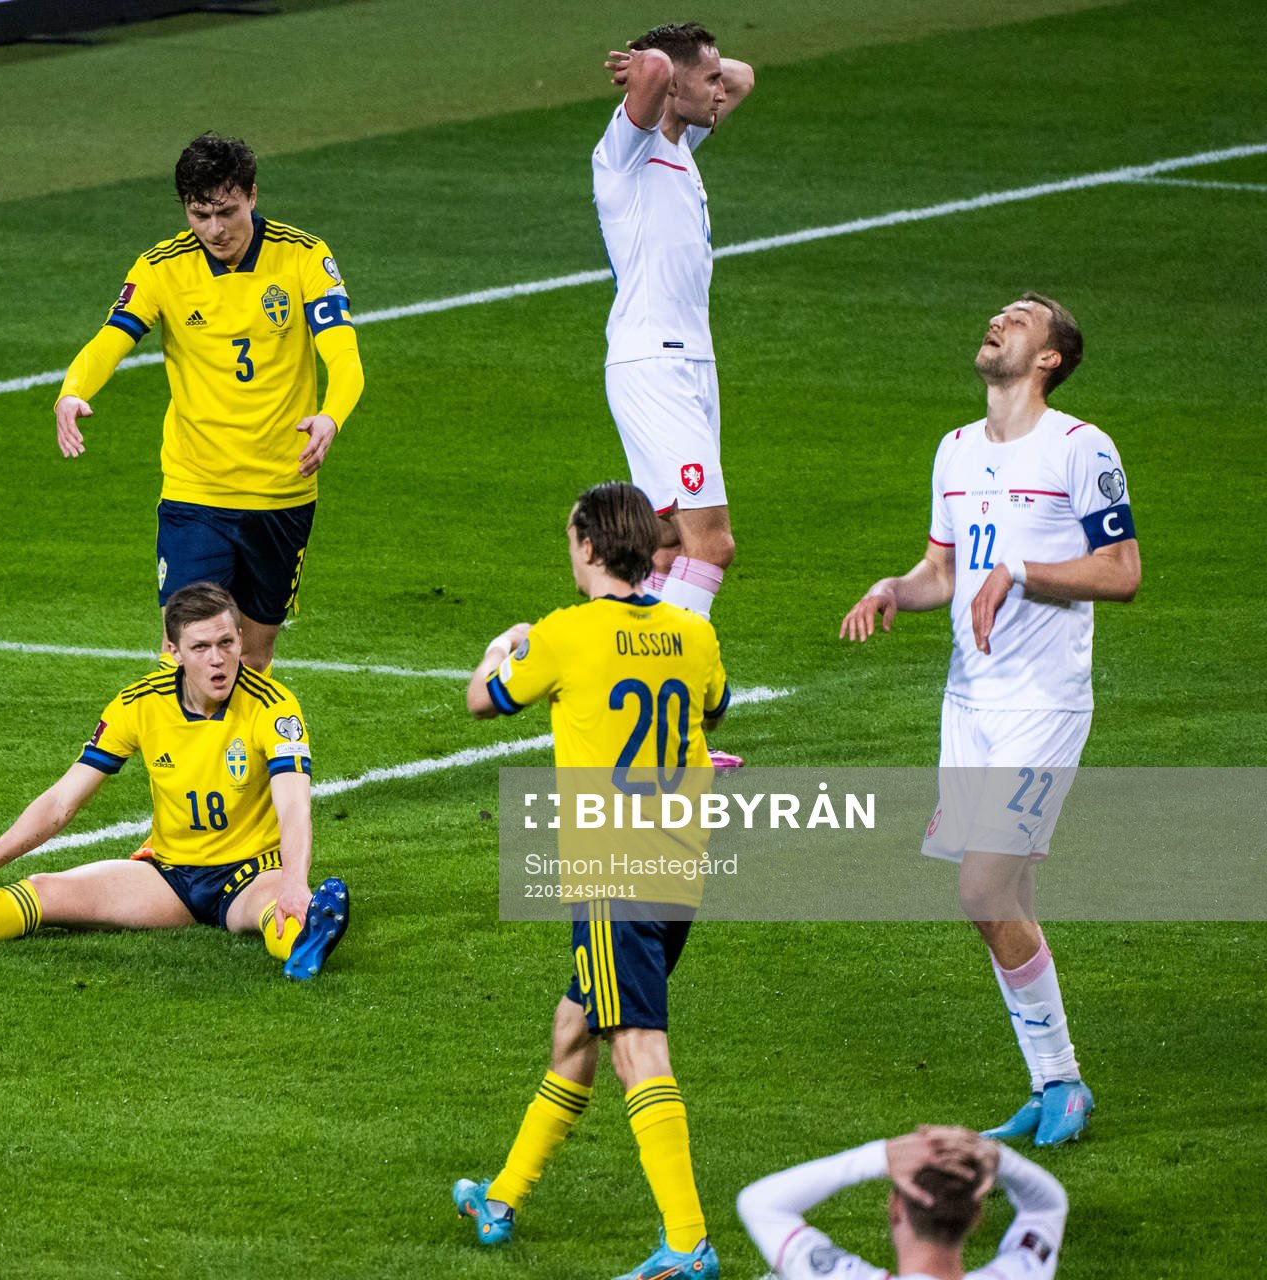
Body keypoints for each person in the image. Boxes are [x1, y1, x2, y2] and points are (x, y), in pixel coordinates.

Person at [840, 293, 1140, 1145]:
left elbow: (1121, 572)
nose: (1000, 320)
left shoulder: (1082, 449)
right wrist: (896, 588)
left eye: (1023, 317)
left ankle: (1063, 1079)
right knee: (1003, 893)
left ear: (1051, 358)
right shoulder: (955, 449)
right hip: (967, 703)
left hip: (1043, 703)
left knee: (979, 888)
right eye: (999, 313)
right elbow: (943, 568)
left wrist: (1021, 569)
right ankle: (1055, 1087)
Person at [451, 481, 731, 1280]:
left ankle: (687, 1242)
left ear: (588, 547)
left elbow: (482, 701)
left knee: (635, 1043)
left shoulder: (565, 635)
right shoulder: (691, 631)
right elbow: (714, 709)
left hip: (616, 869)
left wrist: (504, 646)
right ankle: (500, 1197)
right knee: (575, 1024)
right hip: (682, 861)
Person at [0, 582, 351, 980]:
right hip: (169, 877)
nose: (219, 660)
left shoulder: (272, 706)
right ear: (173, 652)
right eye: (201, 647)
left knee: (275, 909)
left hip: (250, 871)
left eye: (228, 643)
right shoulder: (139, 704)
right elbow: (61, 802)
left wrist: (295, 880)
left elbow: (293, 808)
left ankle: (306, 942)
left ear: (240, 640)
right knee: (44, 891)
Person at [52, 132, 364, 673]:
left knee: (253, 657)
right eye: (200, 215)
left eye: (227, 211)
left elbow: (345, 355)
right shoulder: (161, 268)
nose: (215, 230)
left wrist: (332, 416)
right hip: (196, 491)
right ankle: (189, 759)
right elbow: (110, 339)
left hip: (280, 489)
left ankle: (246, 759)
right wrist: (72, 392)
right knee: (186, 654)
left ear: (252, 194)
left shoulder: (304, 256)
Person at [596, 24, 755, 622]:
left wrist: (691, 71)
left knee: (664, 539)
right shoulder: (624, 151)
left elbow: (744, 77)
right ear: (671, 87)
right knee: (712, 544)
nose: (722, 91)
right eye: (707, 81)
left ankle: (627, 641)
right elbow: (661, 71)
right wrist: (656, 67)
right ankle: (670, 671)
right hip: (653, 364)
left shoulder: (683, 144)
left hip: (690, 363)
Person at [737, 1125, 1067, 1279]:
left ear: (896, 1207)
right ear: (976, 1214)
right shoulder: (1020, 1272)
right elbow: (1046, 1207)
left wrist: (879, 1156)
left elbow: (760, 1204)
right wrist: (996, 1158)